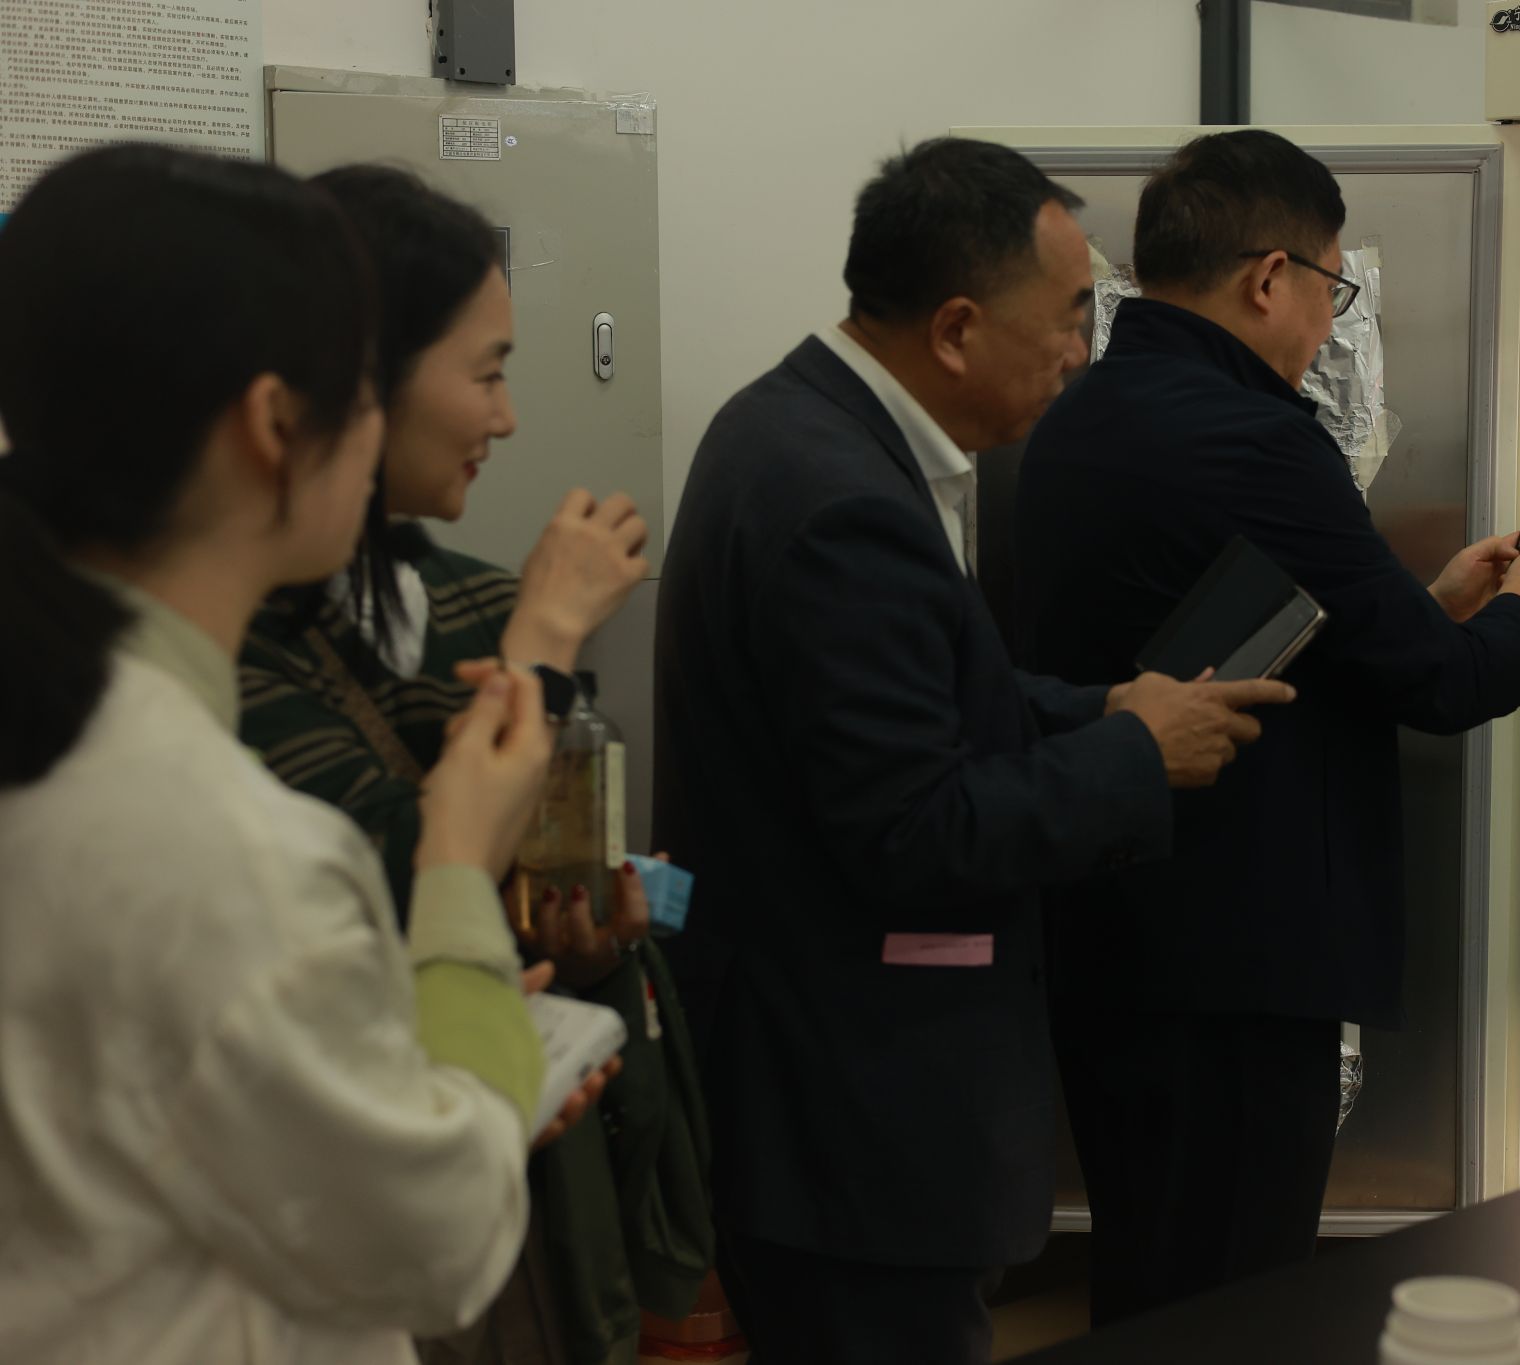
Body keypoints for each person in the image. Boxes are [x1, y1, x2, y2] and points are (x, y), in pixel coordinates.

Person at [652, 137, 1295, 1365]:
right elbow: (914, 828)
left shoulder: (792, 422)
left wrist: (1103, 706)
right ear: (955, 328)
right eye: (1067, 317)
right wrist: (1135, 757)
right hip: (852, 1113)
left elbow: (926, 695)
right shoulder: (842, 502)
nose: (1079, 351)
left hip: (807, 1088)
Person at [0, 145, 580, 1362]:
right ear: (274, 424)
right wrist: (458, 864)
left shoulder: (68, 732)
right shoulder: (220, 849)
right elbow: (440, 1238)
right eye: (364, 392)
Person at [1014, 129, 1520, 1324]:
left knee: (1151, 1266)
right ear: (1269, 278)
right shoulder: (1257, 435)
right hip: (1234, 964)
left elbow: (1264, 632)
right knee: (1230, 1293)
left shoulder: (1085, 415)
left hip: (1110, 932)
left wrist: (1427, 603)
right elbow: (1440, 687)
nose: (1329, 324)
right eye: (1331, 287)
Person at [235, 164, 713, 1365]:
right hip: (346, 1211)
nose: (505, 419)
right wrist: (541, 646)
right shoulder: (218, 636)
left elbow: (528, 872)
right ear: (357, 381)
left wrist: (586, 933)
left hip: (517, 1169)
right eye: (487, 372)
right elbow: (393, 884)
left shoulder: (463, 597)